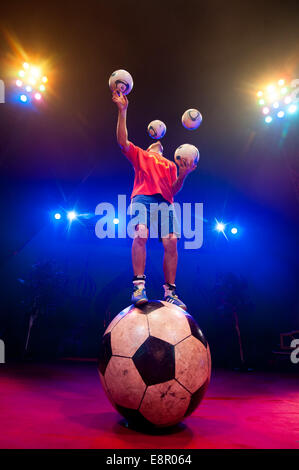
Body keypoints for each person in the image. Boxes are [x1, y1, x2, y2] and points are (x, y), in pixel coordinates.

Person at [112, 89, 196, 309]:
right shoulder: (142, 155)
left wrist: (184, 174)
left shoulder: (170, 164)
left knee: (172, 242)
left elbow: (173, 190)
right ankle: (139, 286)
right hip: (142, 199)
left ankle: (170, 292)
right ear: (150, 145)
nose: (158, 143)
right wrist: (123, 110)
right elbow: (122, 141)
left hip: (165, 203)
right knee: (141, 233)